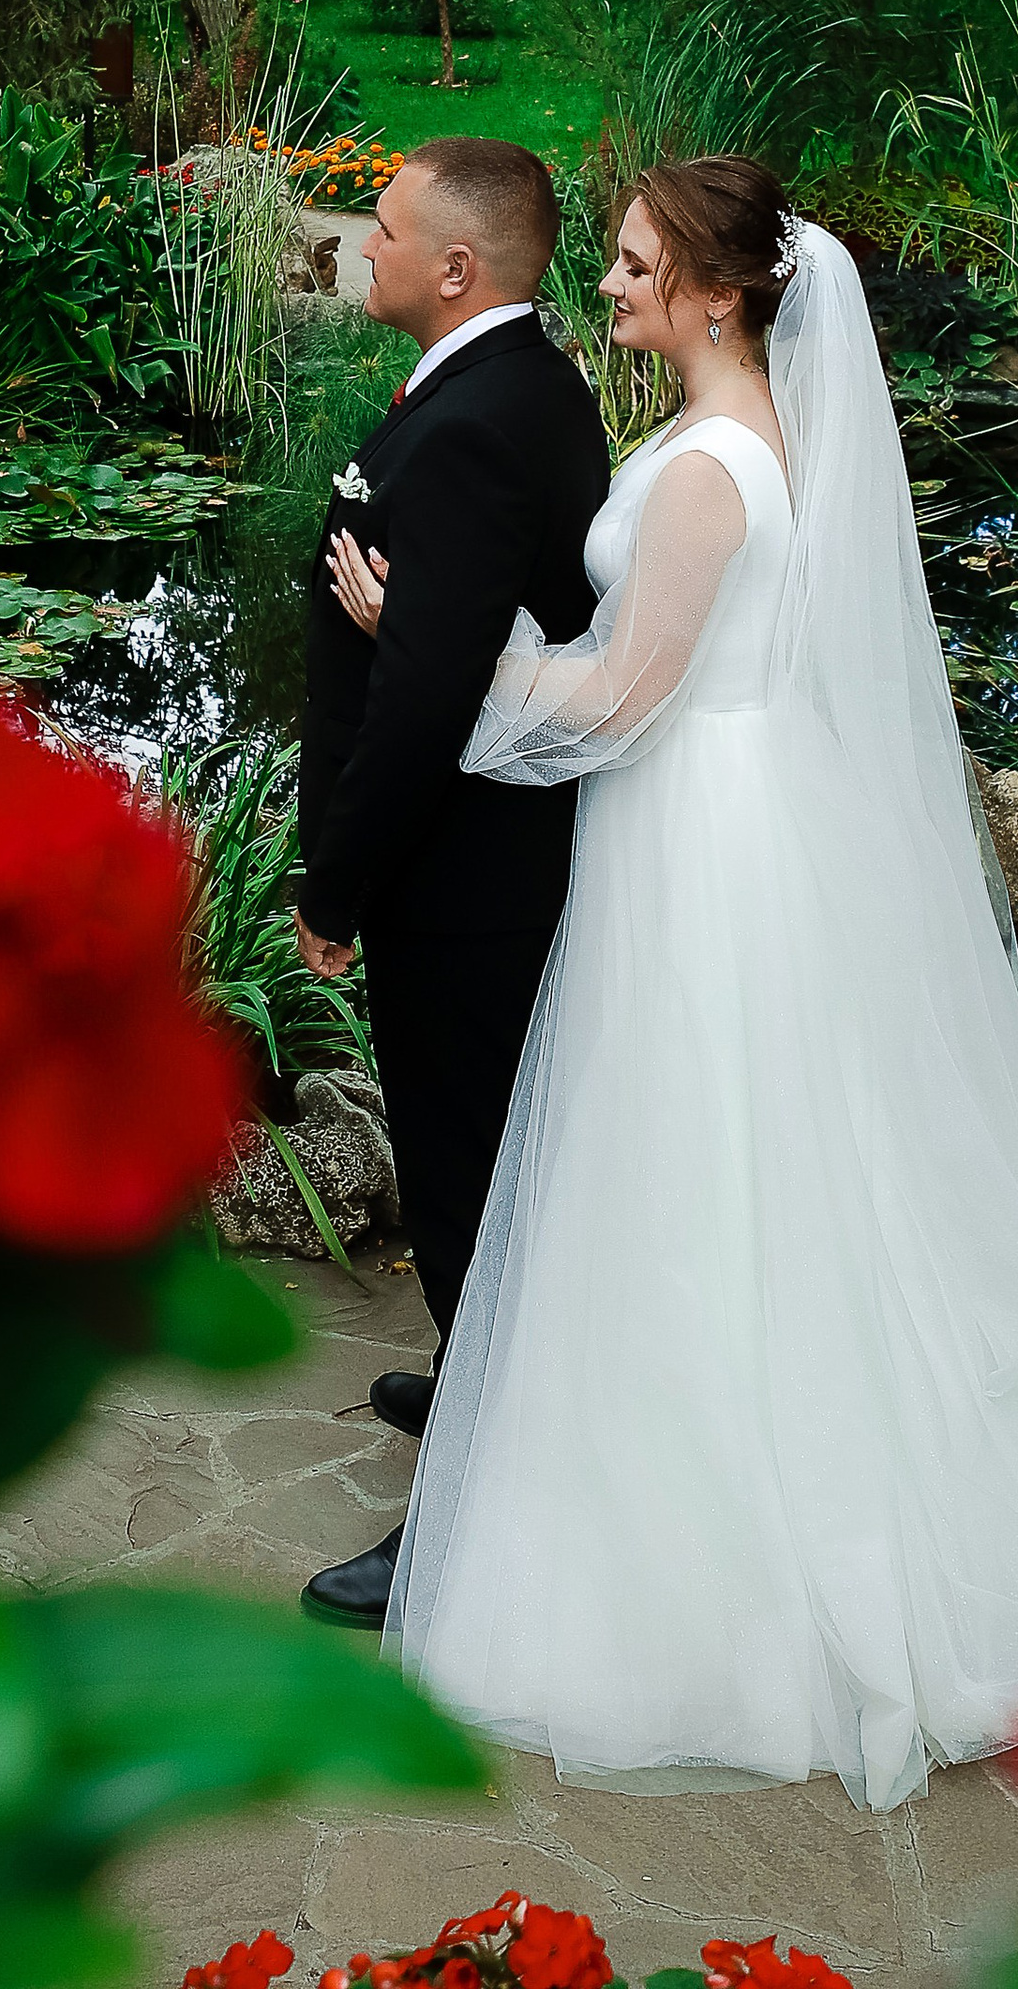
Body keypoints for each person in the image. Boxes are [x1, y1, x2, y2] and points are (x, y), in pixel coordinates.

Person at [324, 153, 1018, 1805]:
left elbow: (623, 697)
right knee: (749, 1144)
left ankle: (745, 1499)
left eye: (639, 264)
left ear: (720, 296)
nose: (612, 283)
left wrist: (428, 639)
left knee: (713, 1141)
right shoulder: (736, 435)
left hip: (700, 830)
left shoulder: (711, 469)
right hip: (731, 806)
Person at [293, 136, 610, 1632]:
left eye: (386, 225)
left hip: (459, 877)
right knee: (475, 1159)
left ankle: (476, 1502)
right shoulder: (519, 382)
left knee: (466, 1177)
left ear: (458, 266)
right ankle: (482, 1372)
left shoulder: (482, 422)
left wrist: (337, 885)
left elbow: (427, 700)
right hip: (485, 860)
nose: (367, 243)